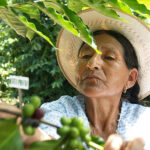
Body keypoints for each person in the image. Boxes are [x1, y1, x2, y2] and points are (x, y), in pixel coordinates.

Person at [0, 9, 150, 149]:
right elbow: (46, 139)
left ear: (130, 78)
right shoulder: (58, 111)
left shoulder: (144, 121)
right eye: (86, 56)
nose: (92, 64)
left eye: (109, 57)